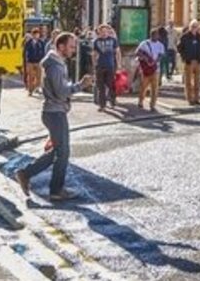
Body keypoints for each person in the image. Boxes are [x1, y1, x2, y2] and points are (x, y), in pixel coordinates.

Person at [16, 33, 90, 201]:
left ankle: (27, 174)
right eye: (71, 46)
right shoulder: (55, 66)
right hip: (54, 113)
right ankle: (55, 189)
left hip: (55, 112)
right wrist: (81, 85)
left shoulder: (56, 63)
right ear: (61, 46)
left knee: (60, 151)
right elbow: (61, 92)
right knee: (63, 153)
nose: (73, 50)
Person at [135, 28, 166, 111]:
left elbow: (161, 55)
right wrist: (146, 58)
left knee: (155, 87)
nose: (155, 36)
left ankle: (152, 104)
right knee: (143, 86)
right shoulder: (144, 43)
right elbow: (137, 52)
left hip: (156, 69)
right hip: (146, 69)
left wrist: (154, 61)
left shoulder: (160, 45)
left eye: (156, 35)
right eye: (153, 35)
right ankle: (140, 101)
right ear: (151, 35)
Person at [177, 20, 200, 106]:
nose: (194, 28)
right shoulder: (185, 37)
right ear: (190, 27)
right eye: (193, 26)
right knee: (188, 81)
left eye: (196, 26)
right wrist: (185, 57)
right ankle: (190, 99)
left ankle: (196, 98)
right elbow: (179, 48)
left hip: (197, 61)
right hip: (188, 61)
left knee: (197, 81)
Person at [92, 24, 121, 110]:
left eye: (105, 31)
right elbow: (94, 54)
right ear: (99, 32)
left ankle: (112, 101)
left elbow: (117, 52)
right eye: (102, 31)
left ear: (108, 32)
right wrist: (94, 65)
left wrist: (119, 64)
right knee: (100, 86)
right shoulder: (96, 41)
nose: (104, 33)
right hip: (100, 65)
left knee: (111, 84)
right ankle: (102, 105)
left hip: (110, 65)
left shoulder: (113, 40)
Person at [23, 27, 47, 96]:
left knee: (39, 76)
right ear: (32, 35)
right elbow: (25, 51)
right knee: (30, 76)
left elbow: (43, 51)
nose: (36, 35)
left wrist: (42, 59)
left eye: (38, 34)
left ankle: (37, 87)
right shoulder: (29, 42)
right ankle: (30, 90)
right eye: (35, 34)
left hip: (38, 61)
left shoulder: (41, 42)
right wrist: (27, 60)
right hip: (30, 61)